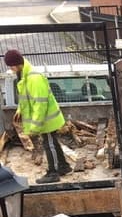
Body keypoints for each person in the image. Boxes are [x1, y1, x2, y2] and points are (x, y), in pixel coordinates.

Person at [3, 49, 71, 184]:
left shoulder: (33, 78)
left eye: (10, 66)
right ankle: (63, 166)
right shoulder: (25, 75)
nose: (10, 69)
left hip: (47, 119)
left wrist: (35, 126)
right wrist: (19, 110)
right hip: (45, 118)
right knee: (52, 141)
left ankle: (53, 172)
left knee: (49, 143)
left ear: (16, 64)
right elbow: (26, 98)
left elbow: (40, 104)